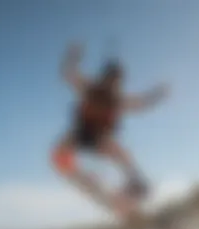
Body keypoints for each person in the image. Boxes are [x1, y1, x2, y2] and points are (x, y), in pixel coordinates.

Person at [51, 43, 170, 219]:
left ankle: (136, 183)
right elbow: (69, 75)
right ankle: (86, 182)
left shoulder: (117, 100)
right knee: (59, 153)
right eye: (110, 81)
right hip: (79, 134)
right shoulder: (89, 88)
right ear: (104, 78)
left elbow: (140, 104)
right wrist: (73, 56)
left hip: (99, 139)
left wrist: (156, 95)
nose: (112, 86)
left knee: (118, 150)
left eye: (116, 83)